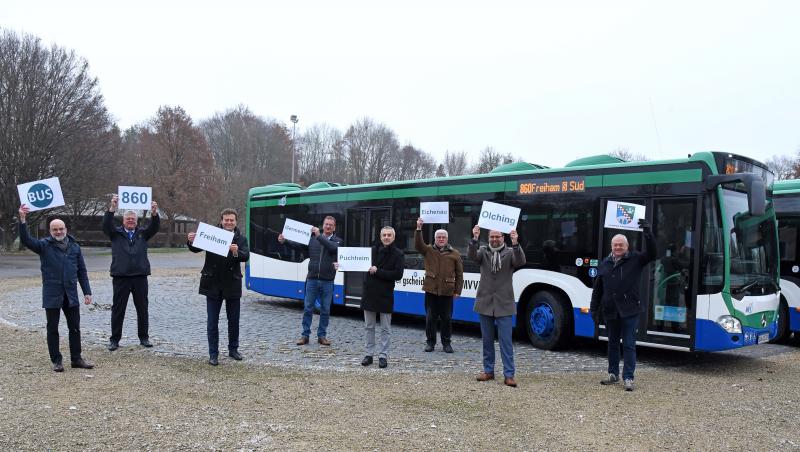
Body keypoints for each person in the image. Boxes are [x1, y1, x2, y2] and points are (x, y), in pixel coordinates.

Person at [18, 205, 94, 372]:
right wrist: (23, 220)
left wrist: (87, 292)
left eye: (61, 229)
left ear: (65, 229)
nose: (58, 232)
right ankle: (56, 361)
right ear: (50, 231)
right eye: (55, 229)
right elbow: (26, 240)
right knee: (52, 328)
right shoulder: (44, 246)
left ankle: (76, 358)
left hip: (71, 294)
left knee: (74, 327)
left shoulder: (75, 246)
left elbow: (82, 271)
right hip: (52, 294)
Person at [590, 219, 656, 392]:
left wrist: (648, 233)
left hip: (629, 311)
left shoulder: (636, 259)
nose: (618, 247)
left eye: (621, 245)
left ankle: (628, 377)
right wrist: (593, 309)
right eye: (615, 245)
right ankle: (613, 374)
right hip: (611, 311)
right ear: (611, 246)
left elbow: (653, 253)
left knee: (628, 344)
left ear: (627, 246)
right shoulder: (604, 263)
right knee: (612, 344)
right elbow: (598, 289)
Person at [187, 208, 250, 366]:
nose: (229, 222)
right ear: (221, 221)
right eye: (226, 220)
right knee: (212, 321)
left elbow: (246, 255)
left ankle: (233, 349)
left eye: (232, 220)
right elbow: (196, 248)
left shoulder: (241, 239)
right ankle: (213, 354)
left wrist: (236, 252)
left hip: (232, 284)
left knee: (233, 320)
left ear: (236, 222)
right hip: (213, 283)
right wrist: (190, 240)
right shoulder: (212, 235)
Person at [469, 226, 526, 387]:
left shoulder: (510, 253)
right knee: (487, 340)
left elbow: (520, 261)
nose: (494, 239)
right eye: (492, 237)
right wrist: (474, 238)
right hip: (485, 303)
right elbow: (472, 256)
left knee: (506, 342)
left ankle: (509, 375)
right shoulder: (483, 251)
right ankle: (488, 371)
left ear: (503, 237)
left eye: (498, 237)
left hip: (504, 303)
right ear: (488, 238)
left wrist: (516, 243)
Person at [103, 194, 160, 351]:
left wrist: (154, 213)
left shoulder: (143, 234)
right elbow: (106, 225)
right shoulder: (115, 234)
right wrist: (112, 208)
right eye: (128, 219)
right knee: (118, 309)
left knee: (142, 308)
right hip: (121, 277)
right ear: (123, 221)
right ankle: (114, 339)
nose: (130, 221)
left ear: (136, 221)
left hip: (140, 277)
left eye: (133, 219)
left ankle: (144, 337)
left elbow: (154, 227)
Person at [278, 216, 343, 346]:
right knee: (308, 308)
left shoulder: (338, 241)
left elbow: (332, 249)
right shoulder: (313, 240)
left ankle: (322, 336)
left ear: (334, 228)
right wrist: (284, 241)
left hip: (327, 281)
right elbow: (299, 247)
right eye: (326, 224)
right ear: (323, 225)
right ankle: (305, 335)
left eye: (331, 225)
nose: (328, 226)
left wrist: (319, 236)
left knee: (325, 309)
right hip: (312, 279)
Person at [415, 217, 463, 353]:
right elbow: (418, 245)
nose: (441, 239)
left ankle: (446, 343)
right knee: (430, 318)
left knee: (447, 319)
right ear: (435, 238)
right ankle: (430, 343)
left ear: (447, 239)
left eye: (443, 237)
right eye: (438, 237)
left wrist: (457, 290)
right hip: (431, 290)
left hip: (447, 292)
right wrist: (419, 229)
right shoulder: (428, 250)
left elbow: (459, 274)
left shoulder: (455, 254)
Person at [360, 226, 404, 369]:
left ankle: (383, 356)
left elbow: (398, 274)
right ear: (380, 237)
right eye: (384, 235)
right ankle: (369, 354)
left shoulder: (398, 254)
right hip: (370, 293)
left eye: (389, 235)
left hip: (385, 294)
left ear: (393, 237)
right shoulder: (371, 251)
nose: (386, 237)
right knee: (369, 327)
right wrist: (339, 265)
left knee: (385, 328)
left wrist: (378, 271)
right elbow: (356, 262)